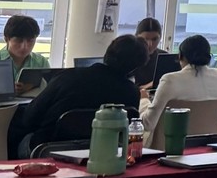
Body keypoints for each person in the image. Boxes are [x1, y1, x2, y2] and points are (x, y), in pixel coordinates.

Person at [9, 34, 146, 157]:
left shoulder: (67, 77)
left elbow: (29, 118)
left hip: (48, 150)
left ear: (108, 53)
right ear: (136, 67)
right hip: (103, 153)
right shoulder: (132, 92)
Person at [139, 34, 217, 141]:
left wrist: (144, 100)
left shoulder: (169, 80)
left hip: (168, 145)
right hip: (205, 144)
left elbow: (148, 124)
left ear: (180, 56)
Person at [0, 14, 49, 94]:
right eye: (19, 40)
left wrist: (33, 87)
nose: (24, 46)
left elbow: (49, 91)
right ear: (6, 39)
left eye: (30, 41)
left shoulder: (41, 62)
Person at [130, 17, 166, 90]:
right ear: (136, 37)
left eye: (155, 39)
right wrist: (146, 86)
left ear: (160, 38)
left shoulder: (164, 57)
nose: (150, 44)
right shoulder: (127, 57)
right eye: (145, 39)